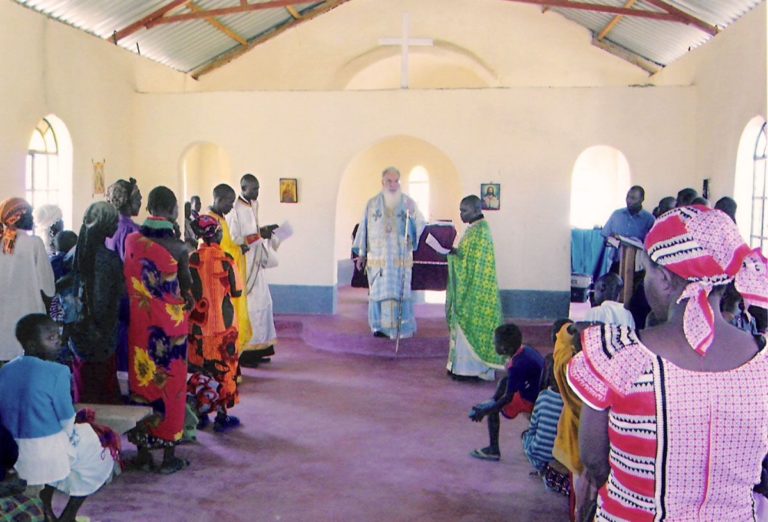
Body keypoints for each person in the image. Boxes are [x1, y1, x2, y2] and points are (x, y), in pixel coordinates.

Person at [568, 205, 768, 520]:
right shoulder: (762, 364)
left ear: (662, 278)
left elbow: (594, 459)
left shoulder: (619, 354)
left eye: (647, 271)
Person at [0, 314, 115, 522]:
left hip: (12, 453)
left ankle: (46, 510)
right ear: (33, 345)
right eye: (51, 338)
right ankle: (68, 516)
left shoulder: (6, 370)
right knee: (99, 448)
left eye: (58, 335)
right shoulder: (58, 371)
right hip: (44, 453)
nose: (59, 341)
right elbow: (66, 419)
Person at [124, 186, 192, 474]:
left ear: (150, 207)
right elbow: (190, 290)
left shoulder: (131, 240)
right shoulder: (179, 248)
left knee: (143, 382)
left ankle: (142, 454)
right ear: (174, 210)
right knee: (172, 387)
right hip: (170, 329)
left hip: (140, 324)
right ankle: (168, 458)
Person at [352, 167, 426, 339]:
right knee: (379, 292)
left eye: (396, 181)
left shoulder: (408, 202)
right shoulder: (372, 204)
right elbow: (364, 228)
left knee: (398, 291)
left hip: (400, 258)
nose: (393, 185)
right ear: (382, 182)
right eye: (389, 181)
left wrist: (413, 215)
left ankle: (401, 328)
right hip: (379, 259)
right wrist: (361, 254)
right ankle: (379, 327)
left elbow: (420, 224)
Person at [187, 214, 243, 432]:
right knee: (224, 370)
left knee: (201, 370)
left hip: (198, 326)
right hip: (223, 327)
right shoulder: (227, 260)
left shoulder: (191, 259)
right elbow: (237, 291)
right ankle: (222, 416)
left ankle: (201, 414)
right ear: (217, 233)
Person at [66, 202, 124, 404]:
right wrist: (102, 329)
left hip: (79, 335)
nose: (117, 226)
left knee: (83, 390)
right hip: (101, 337)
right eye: (114, 222)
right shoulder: (109, 259)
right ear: (105, 225)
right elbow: (104, 302)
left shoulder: (75, 253)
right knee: (102, 396)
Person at [446, 195, 504, 381]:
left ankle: (471, 370)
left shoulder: (481, 231)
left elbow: (472, 266)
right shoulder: (474, 229)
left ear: (477, 210)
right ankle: (459, 367)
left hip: (475, 292)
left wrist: (451, 258)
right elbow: (467, 258)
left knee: (469, 327)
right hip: (470, 288)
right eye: (460, 210)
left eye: (464, 210)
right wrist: (454, 254)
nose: (461, 214)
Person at [468, 323, 545, 461]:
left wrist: (487, 411)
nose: (494, 345)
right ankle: (491, 402)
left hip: (532, 398)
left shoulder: (516, 366)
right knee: (504, 382)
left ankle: (493, 449)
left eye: (496, 343)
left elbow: (508, 398)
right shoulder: (525, 351)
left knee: (494, 409)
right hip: (539, 392)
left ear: (505, 348)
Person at [227, 174, 281, 367]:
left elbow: (254, 230)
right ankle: (246, 353)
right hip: (245, 263)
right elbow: (234, 239)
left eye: (258, 188)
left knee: (264, 303)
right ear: (243, 188)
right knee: (250, 308)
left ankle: (260, 349)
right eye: (254, 189)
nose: (257, 193)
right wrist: (260, 234)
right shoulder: (235, 211)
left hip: (256, 263)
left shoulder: (252, 205)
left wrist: (264, 230)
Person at [0, 198, 55, 364]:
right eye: (29, 214)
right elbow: (47, 286)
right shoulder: (34, 243)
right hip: (29, 319)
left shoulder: (2, 243)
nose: (33, 219)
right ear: (17, 217)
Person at [105, 177, 142, 375]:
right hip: (129, 295)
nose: (140, 202)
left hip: (111, 295)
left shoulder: (108, 226)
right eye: (137, 198)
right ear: (126, 201)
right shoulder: (132, 230)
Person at [521, 354, 564, 473]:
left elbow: (533, 427)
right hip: (559, 457)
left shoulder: (543, 396)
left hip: (538, 456)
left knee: (525, 436)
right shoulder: (568, 401)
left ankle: (541, 469)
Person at [601, 185, 655, 269]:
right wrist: (614, 242)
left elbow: (651, 246)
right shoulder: (617, 214)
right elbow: (606, 237)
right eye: (627, 197)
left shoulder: (649, 219)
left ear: (642, 200)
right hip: (617, 263)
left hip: (638, 266)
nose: (629, 201)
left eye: (633, 198)